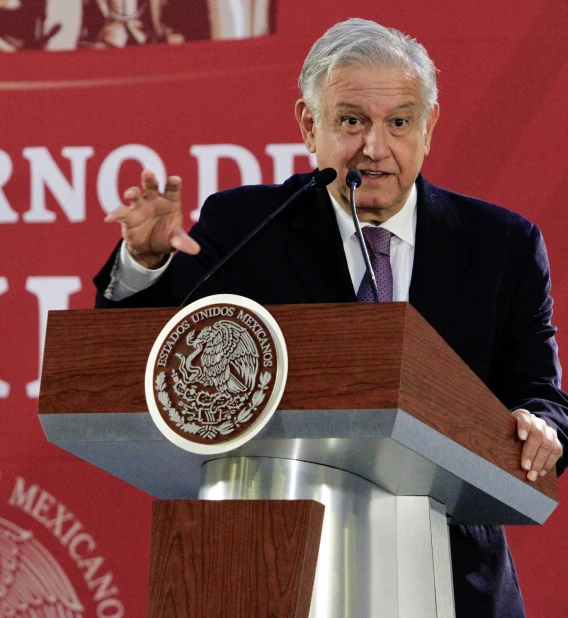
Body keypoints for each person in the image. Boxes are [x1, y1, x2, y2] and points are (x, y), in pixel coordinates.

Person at [94, 17, 567, 618]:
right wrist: (145, 261)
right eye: (351, 120)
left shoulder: (501, 243)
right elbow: (155, 352)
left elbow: (538, 392)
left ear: (429, 127)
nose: (375, 147)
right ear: (308, 124)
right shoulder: (247, 225)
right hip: (269, 568)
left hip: (451, 575)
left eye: (399, 122)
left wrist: (542, 426)